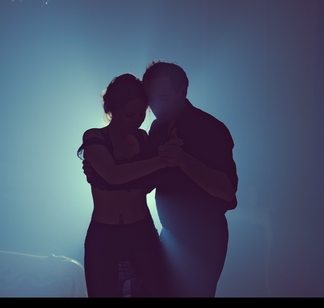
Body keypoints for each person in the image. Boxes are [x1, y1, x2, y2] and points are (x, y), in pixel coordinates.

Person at [84, 61, 238, 297]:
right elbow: (143, 180)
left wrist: (182, 160)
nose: (156, 106)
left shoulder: (211, 129)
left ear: (183, 91)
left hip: (202, 238)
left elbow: (227, 192)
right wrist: (99, 171)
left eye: (163, 97)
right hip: (166, 236)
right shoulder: (156, 129)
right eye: (151, 99)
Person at [77, 73, 179, 297]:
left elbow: (147, 184)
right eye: (130, 115)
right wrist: (160, 161)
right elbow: (113, 175)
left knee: (157, 291)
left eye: (142, 114)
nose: (137, 120)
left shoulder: (144, 139)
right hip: (104, 234)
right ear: (111, 110)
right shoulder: (95, 137)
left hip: (140, 229)